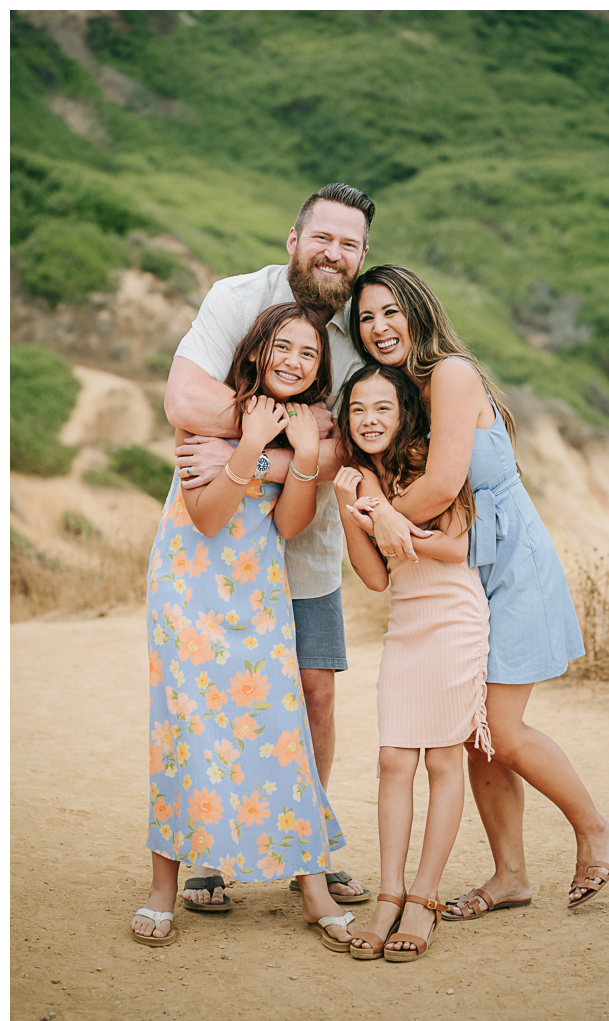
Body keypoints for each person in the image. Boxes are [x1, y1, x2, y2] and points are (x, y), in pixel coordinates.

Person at [345, 265, 609, 920]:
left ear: (418, 311)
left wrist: (385, 519)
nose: (379, 327)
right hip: (464, 572)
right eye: (365, 318)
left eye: (390, 311)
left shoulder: (450, 374)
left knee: (498, 727)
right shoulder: (399, 393)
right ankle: (511, 875)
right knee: (473, 731)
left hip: (511, 568)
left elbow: (444, 486)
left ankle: (596, 830)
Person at [160, 183, 391, 906]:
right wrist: (290, 437)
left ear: (361, 256)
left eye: (350, 244)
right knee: (214, 699)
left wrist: (279, 460)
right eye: (323, 237)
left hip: (306, 539)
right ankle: (209, 854)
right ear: (294, 240)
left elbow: (363, 441)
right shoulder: (239, 297)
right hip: (222, 539)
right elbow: (184, 402)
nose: (335, 253)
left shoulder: (365, 330)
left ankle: (304, 853)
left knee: (314, 695)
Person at [131, 303, 364, 950]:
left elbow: (289, 525)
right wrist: (255, 444)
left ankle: (312, 890)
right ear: (257, 350)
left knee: (281, 728)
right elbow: (206, 517)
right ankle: (162, 891)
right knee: (185, 729)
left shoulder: (302, 427)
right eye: (282, 347)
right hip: (187, 594)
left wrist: (298, 455)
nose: (294, 361)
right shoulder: (216, 414)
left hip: (258, 591)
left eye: (309, 354)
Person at [331, 364, 490, 962]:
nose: (369, 420)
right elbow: (375, 578)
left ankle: (423, 900)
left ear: (404, 415)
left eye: (383, 409)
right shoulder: (355, 479)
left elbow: (454, 546)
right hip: (406, 625)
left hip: (453, 618)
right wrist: (354, 510)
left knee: (445, 759)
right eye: (358, 410)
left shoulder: (430, 462)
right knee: (393, 758)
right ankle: (388, 896)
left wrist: (391, 515)